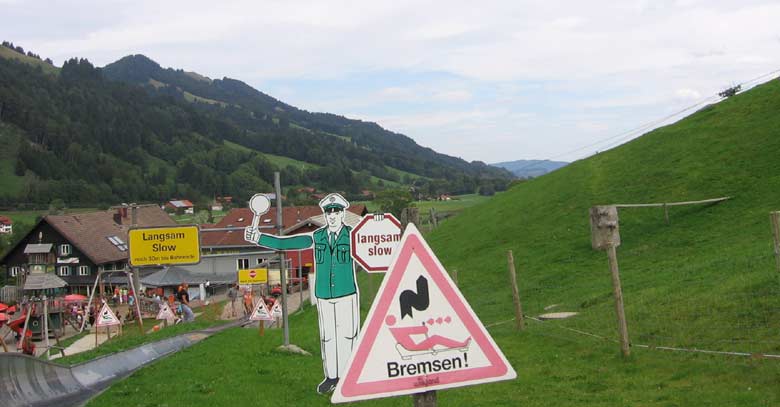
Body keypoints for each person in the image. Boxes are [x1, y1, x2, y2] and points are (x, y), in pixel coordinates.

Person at [245, 192, 359, 394]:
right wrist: (259, 237)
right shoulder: (317, 236)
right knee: (328, 337)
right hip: (324, 294)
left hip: (346, 293)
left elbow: (375, 238)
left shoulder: (353, 234)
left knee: (348, 335)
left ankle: (349, 375)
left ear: (343, 214)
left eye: (336, 211)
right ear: (325, 215)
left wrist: (379, 222)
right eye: (329, 212)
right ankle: (332, 377)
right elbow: (284, 243)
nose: (332, 216)